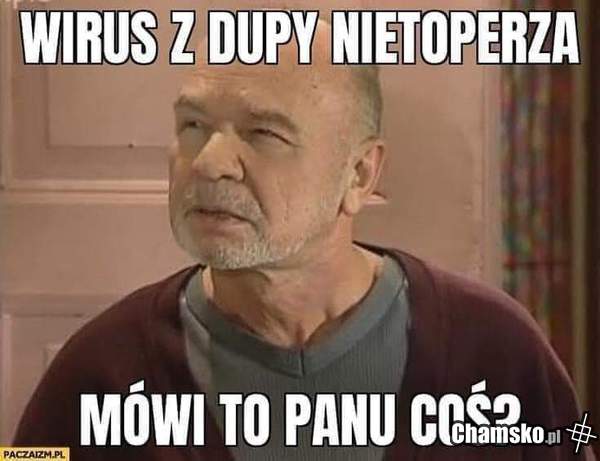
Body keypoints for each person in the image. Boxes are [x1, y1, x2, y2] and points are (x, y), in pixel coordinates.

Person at [13, 19, 595, 461]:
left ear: (360, 175)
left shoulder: (496, 349)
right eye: (192, 126)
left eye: (263, 133)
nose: (209, 163)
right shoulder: (98, 373)